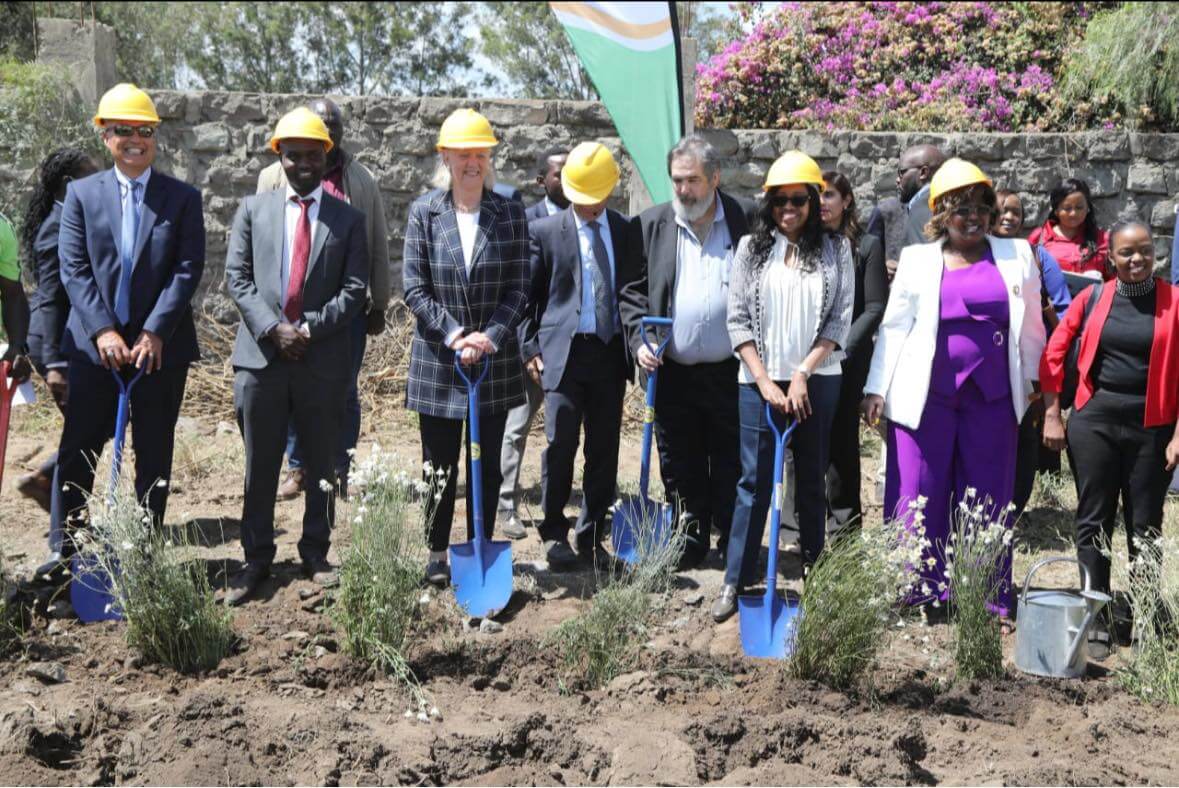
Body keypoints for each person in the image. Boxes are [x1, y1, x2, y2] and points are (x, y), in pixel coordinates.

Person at [862, 159, 1046, 624]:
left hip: (993, 398)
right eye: (961, 208)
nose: (973, 217)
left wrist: (1037, 384)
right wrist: (875, 387)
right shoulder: (919, 260)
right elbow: (895, 325)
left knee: (987, 494)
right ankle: (918, 592)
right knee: (919, 490)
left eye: (981, 207)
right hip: (926, 397)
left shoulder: (1017, 255)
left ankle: (983, 594)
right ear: (941, 213)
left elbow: (1032, 327)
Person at [48, 84, 205, 577]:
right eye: (123, 131)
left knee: (154, 454)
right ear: (105, 135)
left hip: (160, 353)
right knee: (79, 451)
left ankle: (143, 556)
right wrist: (102, 331)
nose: (135, 140)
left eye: (145, 131)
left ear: (154, 137)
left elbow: (187, 268)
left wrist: (156, 331)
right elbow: (73, 267)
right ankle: (68, 554)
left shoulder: (181, 198)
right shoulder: (80, 195)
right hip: (95, 353)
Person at [223, 107, 369, 605]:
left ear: (326, 157)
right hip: (261, 358)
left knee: (323, 463)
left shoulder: (348, 219)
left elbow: (355, 290)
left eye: (313, 155)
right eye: (293, 155)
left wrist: (308, 328)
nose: (303, 164)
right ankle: (256, 558)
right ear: (278, 156)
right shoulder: (252, 210)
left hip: (321, 358)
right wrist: (273, 329)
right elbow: (237, 280)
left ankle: (316, 552)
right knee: (261, 465)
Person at [712, 151, 854, 622]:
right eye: (779, 200)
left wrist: (801, 374)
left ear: (814, 202)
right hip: (757, 380)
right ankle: (736, 578)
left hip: (817, 379)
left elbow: (839, 319)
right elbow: (736, 319)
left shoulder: (837, 251)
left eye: (798, 199)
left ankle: (817, 574)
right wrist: (762, 379)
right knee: (753, 483)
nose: (788, 209)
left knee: (811, 478)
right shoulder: (751, 248)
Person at [1040, 220, 1179, 657]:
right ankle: (1095, 616)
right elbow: (1054, 354)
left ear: (1154, 252)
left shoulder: (1174, 302)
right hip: (1094, 421)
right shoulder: (1094, 296)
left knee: (1145, 525)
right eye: (1125, 253)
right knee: (1093, 519)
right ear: (1111, 256)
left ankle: (1145, 614)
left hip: (1152, 427)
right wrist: (1052, 414)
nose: (1136, 260)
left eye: (1144, 251)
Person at [403, 108, 530, 588]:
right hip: (439, 361)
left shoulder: (509, 211)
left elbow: (520, 287)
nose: (472, 162)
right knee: (438, 466)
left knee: (488, 464)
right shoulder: (425, 212)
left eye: (480, 153)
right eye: (463, 154)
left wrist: (490, 336)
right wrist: (456, 334)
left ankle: (480, 548)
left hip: (491, 366)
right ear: (446, 157)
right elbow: (415, 288)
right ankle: (436, 554)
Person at [620, 135, 757, 568]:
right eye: (677, 180)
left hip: (731, 370)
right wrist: (639, 341)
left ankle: (732, 543)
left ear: (714, 178)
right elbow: (632, 293)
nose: (683, 189)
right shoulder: (653, 224)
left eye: (693, 180)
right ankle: (689, 538)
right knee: (679, 459)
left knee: (733, 458)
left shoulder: (744, 220)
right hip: (672, 370)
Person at [257, 98, 390, 502]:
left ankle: (339, 468)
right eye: (321, 125)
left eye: (334, 126)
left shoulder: (360, 179)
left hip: (346, 310)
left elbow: (377, 241)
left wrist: (378, 302)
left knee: (344, 392)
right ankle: (298, 469)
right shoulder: (272, 178)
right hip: (291, 309)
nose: (328, 132)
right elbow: (261, 244)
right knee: (294, 393)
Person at [521, 142, 639, 569]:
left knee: (605, 448)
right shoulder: (546, 233)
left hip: (608, 354)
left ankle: (591, 536)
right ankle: (554, 531)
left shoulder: (626, 231)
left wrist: (639, 341)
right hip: (562, 355)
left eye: (595, 199)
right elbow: (526, 299)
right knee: (560, 444)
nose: (588, 207)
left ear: (610, 191)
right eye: (580, 198)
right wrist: (529, 348)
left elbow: (631, 293)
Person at [16, 148, 98, 513]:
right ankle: (53, 491)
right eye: (91, 175)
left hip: (65, 342)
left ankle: (59, 495)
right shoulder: (55, 229)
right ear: (69, 184)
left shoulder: (73, 220)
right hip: (53, 342)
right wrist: (53, 363)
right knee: (89, 427)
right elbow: (49, 300)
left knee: (89, 426)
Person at [494, 146, 570, 540]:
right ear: (542, 181)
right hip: (531, 348)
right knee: (516, 428)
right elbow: (520, 293)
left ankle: (557, 503)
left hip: (570, 349)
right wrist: (528, 349)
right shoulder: (526, 223)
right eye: (560, 173)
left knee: (565, 431)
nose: (569, 178)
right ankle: (505, 504)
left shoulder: (586, 218)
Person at [992, 187, 1071, 517]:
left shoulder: (1038, 257)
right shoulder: (972, 254)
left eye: (1016, 211)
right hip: (988, 367)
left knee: (1024, 440)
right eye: (1001, 210)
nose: (1009, 216)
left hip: (1027, 365)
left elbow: (1064, 315)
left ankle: (1012, 513)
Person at [819, 170, 886, 535]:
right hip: (809, 361)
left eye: (829, 195)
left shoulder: (868, 245)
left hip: (846, 362)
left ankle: (843, 528)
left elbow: (874, 307)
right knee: (803, 447)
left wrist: (840, 348)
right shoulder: (805, 242)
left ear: (847, 201)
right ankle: (795, 529)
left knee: (842, 443)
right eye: (816, 195)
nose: (821, 203)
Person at [866, 143, 946, 282]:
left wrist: (904, 271)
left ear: (923, 173)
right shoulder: (888, 210)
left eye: (901, 172)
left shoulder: (929, 208)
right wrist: (880, 267)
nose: (897, 180)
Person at [1028, 177, 1110, 284]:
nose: (1073, 214)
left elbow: (1113, 280)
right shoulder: (1039, 237)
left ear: (1088, 208)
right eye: (1067, 208)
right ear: (1056, 210)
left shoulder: (1103, 239)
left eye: (1079, 207)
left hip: (1091, 299)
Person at [524, 148, 569, 221]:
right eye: (560, 175)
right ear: (541, 181)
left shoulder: (589, 215)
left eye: (572, 174)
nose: (569, 179)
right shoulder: (527, 220)